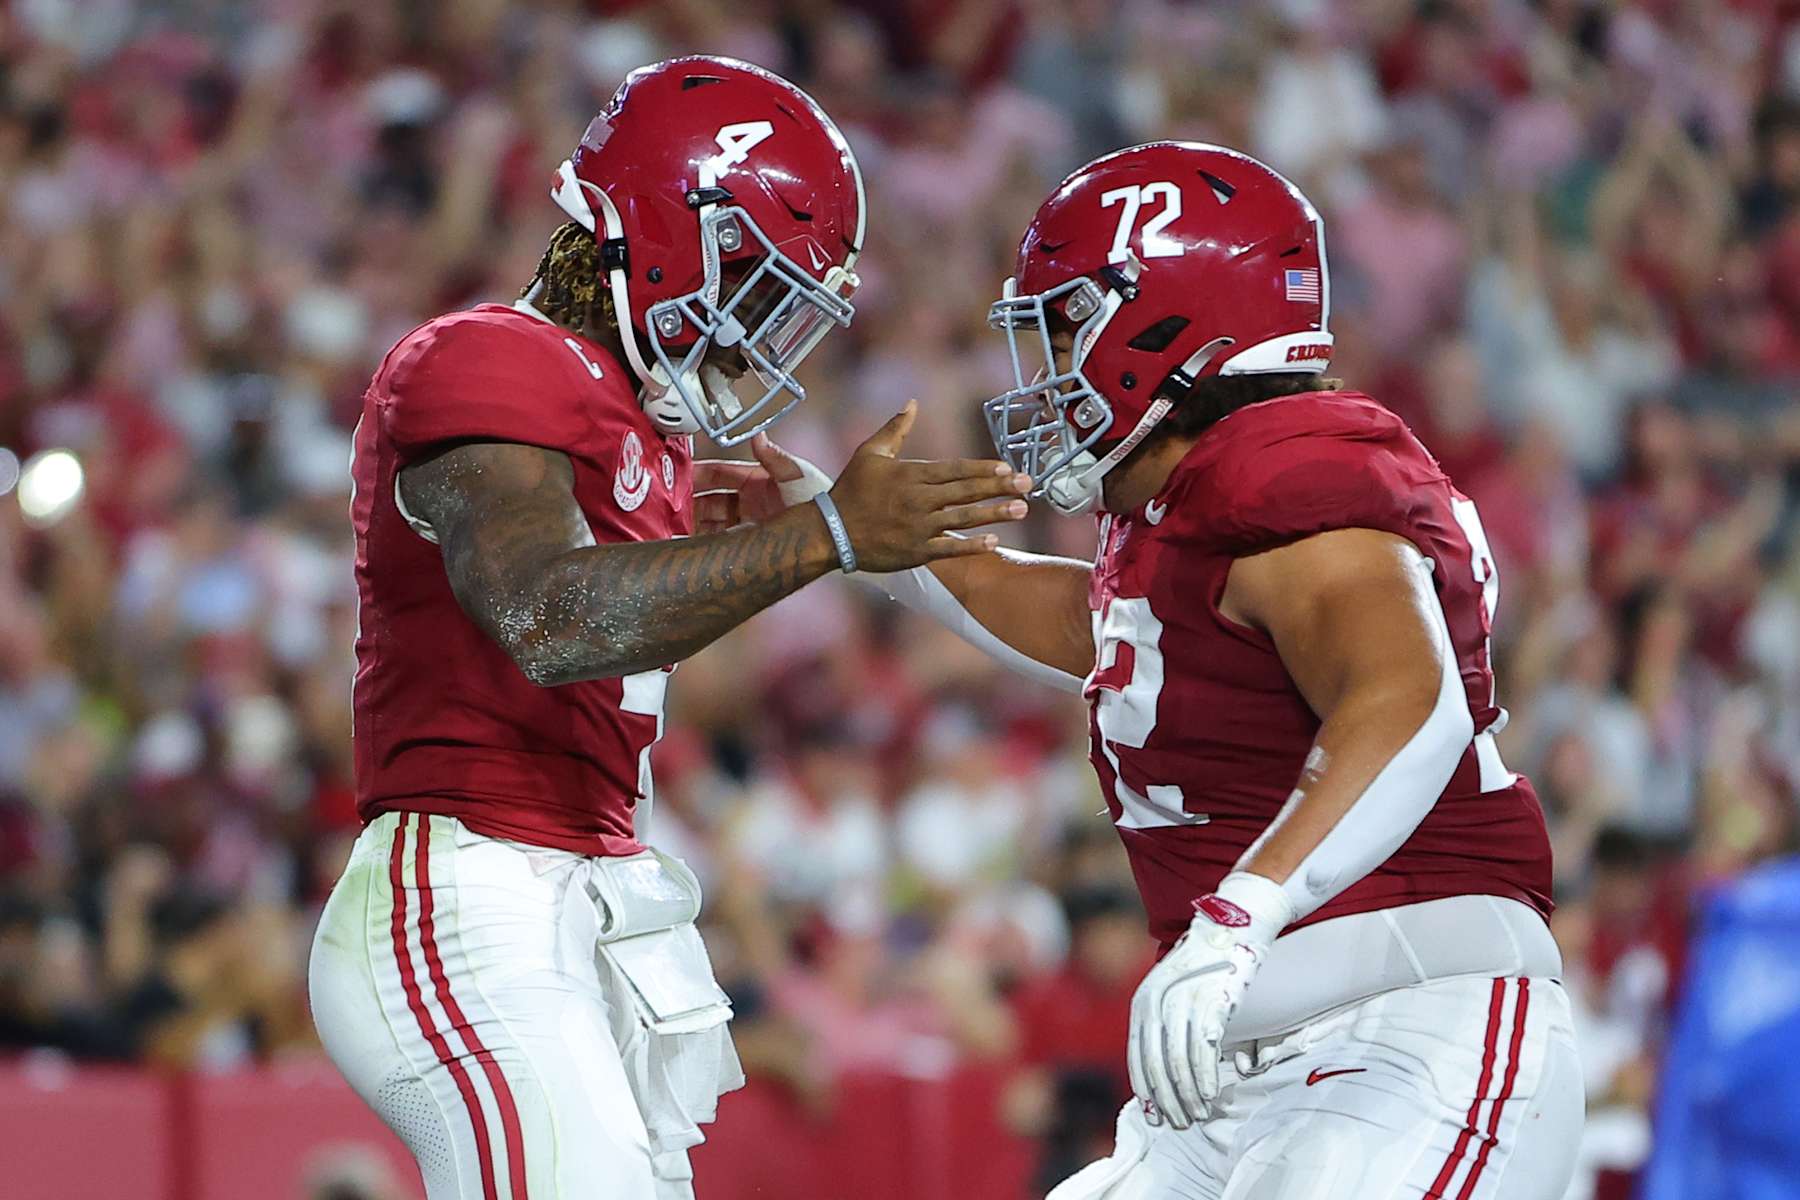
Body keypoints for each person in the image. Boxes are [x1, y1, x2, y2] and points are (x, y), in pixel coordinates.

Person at [721, 141, 1584, 1197]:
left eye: (1066, 328)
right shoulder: (1189, 512)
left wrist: (1237, 919)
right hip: (1238, 1068)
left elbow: (1412, 704)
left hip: (1409, 1031)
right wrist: (850, 539)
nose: (1043, 371)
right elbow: (1111, 634)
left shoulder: (1295, 483)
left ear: (1163, 327)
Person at [305, 57, 1029, 1200]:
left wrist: (703, 526)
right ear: (666, 232)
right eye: (758, 289)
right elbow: (549, 620)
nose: (763, 336)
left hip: (580, 890)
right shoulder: (485, 358)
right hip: (468, 887)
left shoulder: (624, 417)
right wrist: (826, 537)